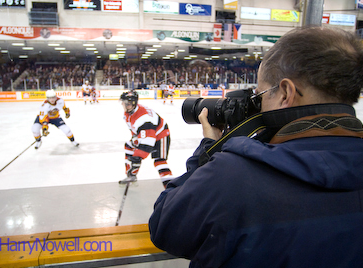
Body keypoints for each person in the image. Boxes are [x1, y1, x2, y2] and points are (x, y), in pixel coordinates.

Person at [149, 26, 363, 267]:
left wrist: (210, 152)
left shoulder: (234, 174)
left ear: (285, 93)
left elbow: (165, 225)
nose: (257, 106)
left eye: (260, 95)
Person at [119, 91, 172, 187]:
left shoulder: (143, 118)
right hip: (148, 133)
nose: (122, 104)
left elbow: (148, 142)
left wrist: (138, 157)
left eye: (125, 102)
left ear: (132, 104)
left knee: (159, 161)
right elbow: (136, 131)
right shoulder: (129, 112)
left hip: (161, 134)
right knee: (129, 146)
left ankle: (170, 186)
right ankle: (131, 175)